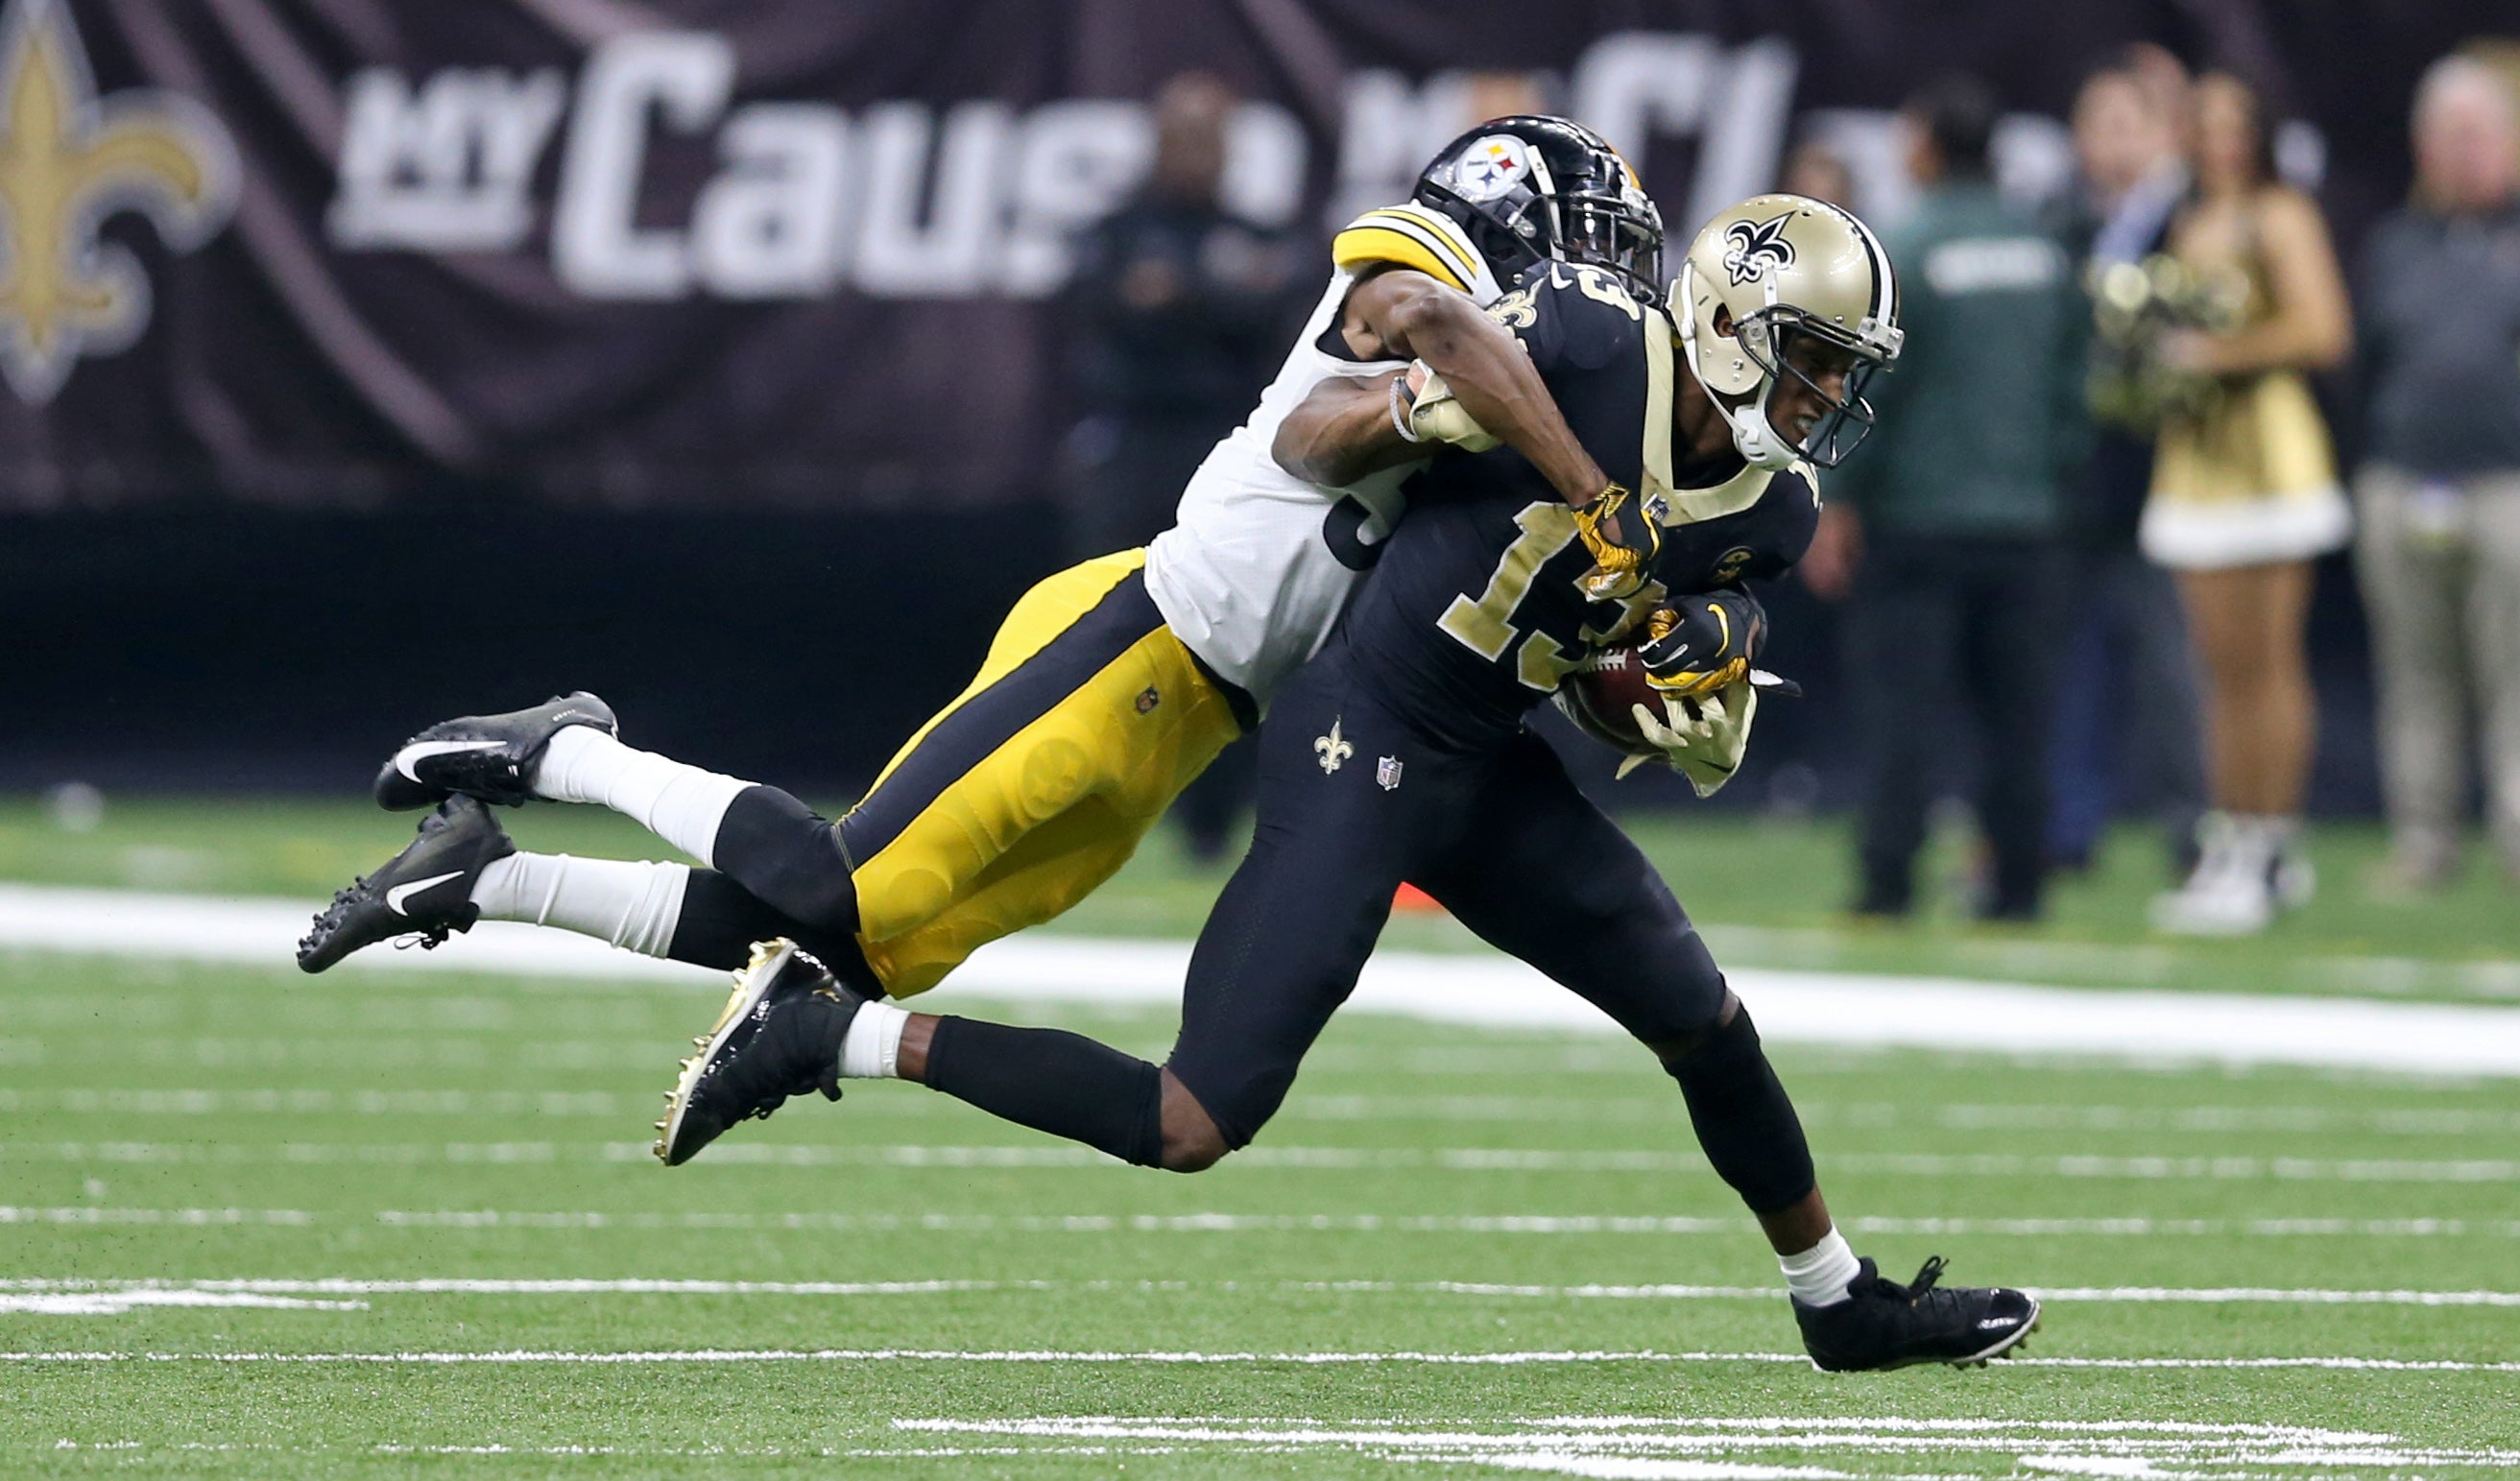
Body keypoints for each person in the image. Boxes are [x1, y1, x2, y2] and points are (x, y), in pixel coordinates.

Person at [651, 196, 2041, 1374]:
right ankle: (826, 1042)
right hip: (1360, 729)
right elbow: (1323, 422)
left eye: (1837, 375)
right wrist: (1448, 423)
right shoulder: (1582, 334)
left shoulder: (1775, 510)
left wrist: (1694, 668)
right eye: (1805, 362)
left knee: (1703, 1016)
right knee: (1192, 1120)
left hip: (1488, 757)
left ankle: (1833, 1301)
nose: (1818, 400)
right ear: (1726, 322)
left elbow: (1680, 639)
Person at [299, 117, 1669, 997]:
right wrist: (1600, 490)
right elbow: (1434, 316)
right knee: (840, 879)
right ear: (1518, 221)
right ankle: (564, 749)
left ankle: (482, 876)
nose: (1598, 298)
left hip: (1200, 715)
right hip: (1142, 632)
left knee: (855, 947)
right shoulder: (1416, 280)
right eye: (1588, 257)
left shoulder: (1500, 407)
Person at [1798, 75, 2086, 921]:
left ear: (1924, 146)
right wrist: (2046, 479)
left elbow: (1871, 393)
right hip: (2026, 523)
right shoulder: (2045, 249)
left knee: (1903, 717)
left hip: (1916, 524)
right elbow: (2075, 394)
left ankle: (1888, 883)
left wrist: (1838, 499)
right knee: (2019, 718)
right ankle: (2019, 885)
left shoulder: (1906, 249)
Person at [2353, 57, 2520, 897]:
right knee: (2415, 673)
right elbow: (2364, 370)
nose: (2463, 152)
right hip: (2407, 483)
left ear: (2509, 140)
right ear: (2423, 147)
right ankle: (2423, 841)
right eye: (2447, 136)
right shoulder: (2394, 245)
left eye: (2477, 134)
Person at [1061, 74, 1308, 862]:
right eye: (1185, 137)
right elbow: (1100, 313)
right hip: (1134, 450)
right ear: (1158, 141)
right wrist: (1215, 303)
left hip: (1228, 453)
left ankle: (1212, 827)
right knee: (1103, 631)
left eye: (1213, 138)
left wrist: (1179, 301)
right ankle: (1078, 806)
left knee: (1232, 638)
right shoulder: (1116, 232)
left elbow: (1276, 320)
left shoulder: (1255, 234)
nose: (1199, 154)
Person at [2141, 72, 2353, 937]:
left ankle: (2268, 844)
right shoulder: (2188, 220)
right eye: (2206, 125)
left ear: (2259, 132)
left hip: (2269, 455)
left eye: (2235, 124)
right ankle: (2230, 840)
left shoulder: (2281, 215)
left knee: (2267, 664)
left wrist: (2211, 353)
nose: (2219, 140)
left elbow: (2322, 328)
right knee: (2218, 670)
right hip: (2198, 459)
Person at [2045, 57, 2205, 876]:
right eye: (2094, 124)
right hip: (2080, 480)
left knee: (2173, 665)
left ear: (2162, 132)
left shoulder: (2194, 217)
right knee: (2073, 663)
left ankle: (2195, 830)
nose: (2108, 143)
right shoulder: (2059, 221)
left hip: (2169, 474)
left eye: (2125, 124)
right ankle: (2068, 827)